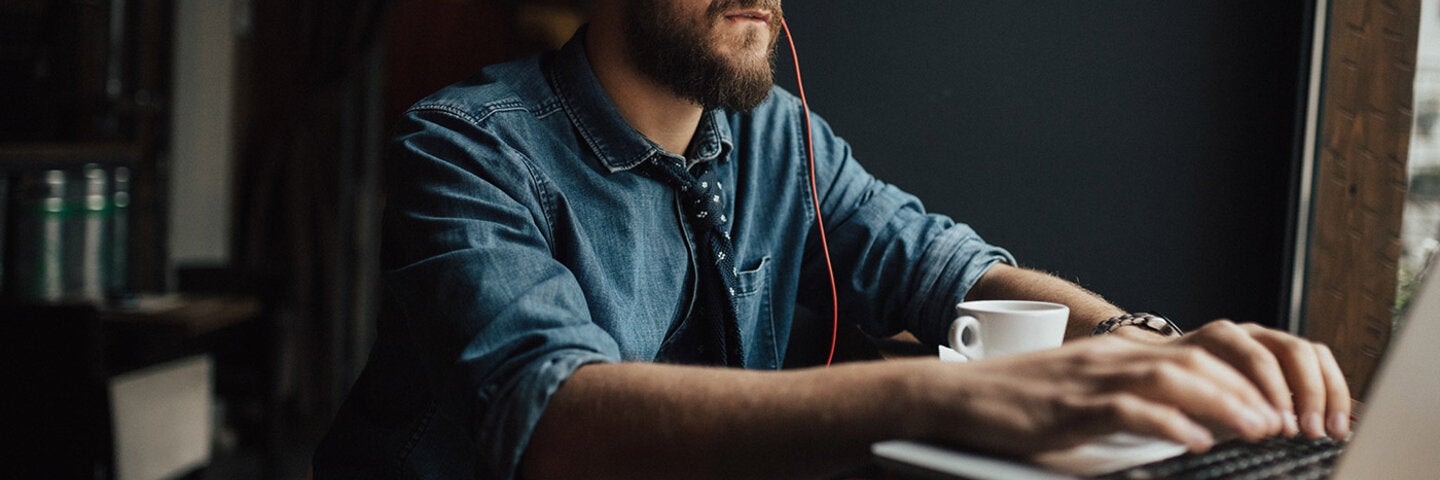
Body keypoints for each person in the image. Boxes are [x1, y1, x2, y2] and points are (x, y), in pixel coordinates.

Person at [313, 1, 1352, 478]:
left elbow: (945, 269)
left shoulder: (778, 137)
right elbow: (552, 422)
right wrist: (957, 397)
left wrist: (1140, 343)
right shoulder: (464, 145)